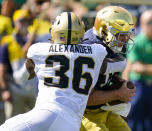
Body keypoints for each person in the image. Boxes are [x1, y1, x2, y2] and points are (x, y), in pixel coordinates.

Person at [0, 11, 128, 131]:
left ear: (54, 31)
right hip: (72, 123)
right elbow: (118, 64)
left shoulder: (38, 50)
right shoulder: (96, 51)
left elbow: (22, 77)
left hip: (45, 113)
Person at [80, 6, 136, 131]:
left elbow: (103, 76)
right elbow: (86, 99)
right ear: (105, 31)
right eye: (121, 35)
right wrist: (118, 94)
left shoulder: (110, 42)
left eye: (127, 35)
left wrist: (119, 82)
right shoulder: (89, 48)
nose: (125, 39)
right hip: (83, 113)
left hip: (102, 109)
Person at [122, 10, 152, 131]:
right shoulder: (136, 42)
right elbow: (133, 67)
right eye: (149, 22)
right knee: (135, 120)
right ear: (142, 24)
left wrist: (143, 68)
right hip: (138, 86)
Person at [0, 9, 37, 120]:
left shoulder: (35, 39)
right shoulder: (8, 41)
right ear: (15, 22)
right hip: (15, 89)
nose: (25, 24)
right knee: (13, 123)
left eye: (27, 21)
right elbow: (2, 68)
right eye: (21, 21)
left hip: (34, 89)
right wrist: (5, 89)